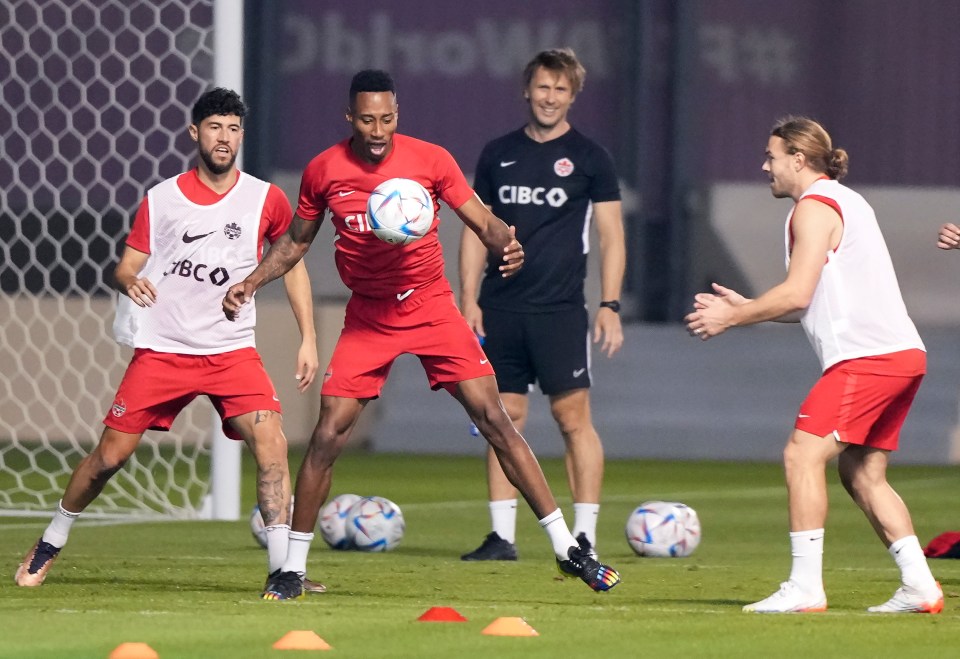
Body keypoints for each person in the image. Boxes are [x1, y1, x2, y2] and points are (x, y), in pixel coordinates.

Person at [222, 69, 622, 600]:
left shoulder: (430, 159)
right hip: (368, 316)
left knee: (496, 420)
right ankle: (290, 568)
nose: (378, 129)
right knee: (326, 436)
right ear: (350, 118)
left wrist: (509, 243)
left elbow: (483, 220)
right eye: (367, 119)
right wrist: (250, 282)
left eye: (387, 118)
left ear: (397, 114)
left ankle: (568, 549)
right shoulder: (323, 170)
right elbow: (296, 242)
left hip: (432, 306)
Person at [14, 88, 319, 597]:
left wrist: (308, 337)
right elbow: (126, 264)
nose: (225, 139)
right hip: (164, 351)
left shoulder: (266, 198)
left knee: (272, 443)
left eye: (234, 129)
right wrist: (127, 280)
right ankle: (51, 538)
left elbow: (291, 264)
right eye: (216, 128)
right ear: (194, 132)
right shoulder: (162, 198)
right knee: (108, 459)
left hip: (231, 352)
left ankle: (283, 571)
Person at [685, 116, 942, 614]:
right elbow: (808, 305)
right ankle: (920, 585)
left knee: (801, 455)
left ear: (798, 160)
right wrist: (751, 305)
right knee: (863, 473)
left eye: (771, 157)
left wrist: (734, 315)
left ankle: (805, 587)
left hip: (868, 358)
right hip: (903, 355)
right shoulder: (849, 200)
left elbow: (797, 293)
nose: (766, 167)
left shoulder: (813, 208)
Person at [458, 48, 625, 562]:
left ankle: (586, 535)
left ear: (573, 96)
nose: (550, 97)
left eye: (560, 89)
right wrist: (468, 298)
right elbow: (474, 229)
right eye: (542, 87)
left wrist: (610, 303)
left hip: (559, 311)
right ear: (526, 91)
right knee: (500, 418)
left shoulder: (593, 158)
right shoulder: (496, 153)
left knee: (573, 418)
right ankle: (501, 537)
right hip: (500, 308)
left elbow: (611, 235)